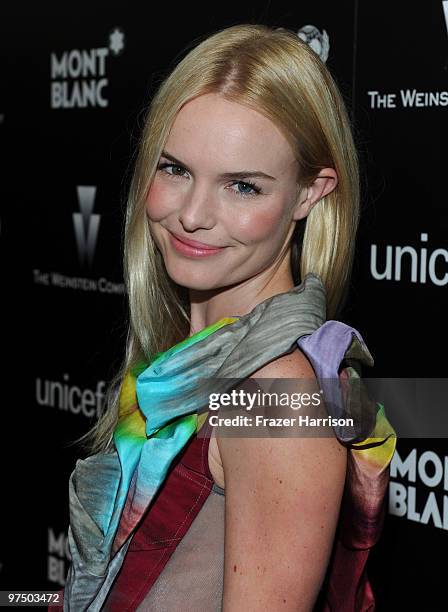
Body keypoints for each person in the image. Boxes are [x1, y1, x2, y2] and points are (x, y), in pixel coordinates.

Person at [51, 23, 396, 611]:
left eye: (242, 186)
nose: (192, 215)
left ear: (310, 194)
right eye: (175, 169)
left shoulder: (278, 393)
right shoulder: (194, 364)